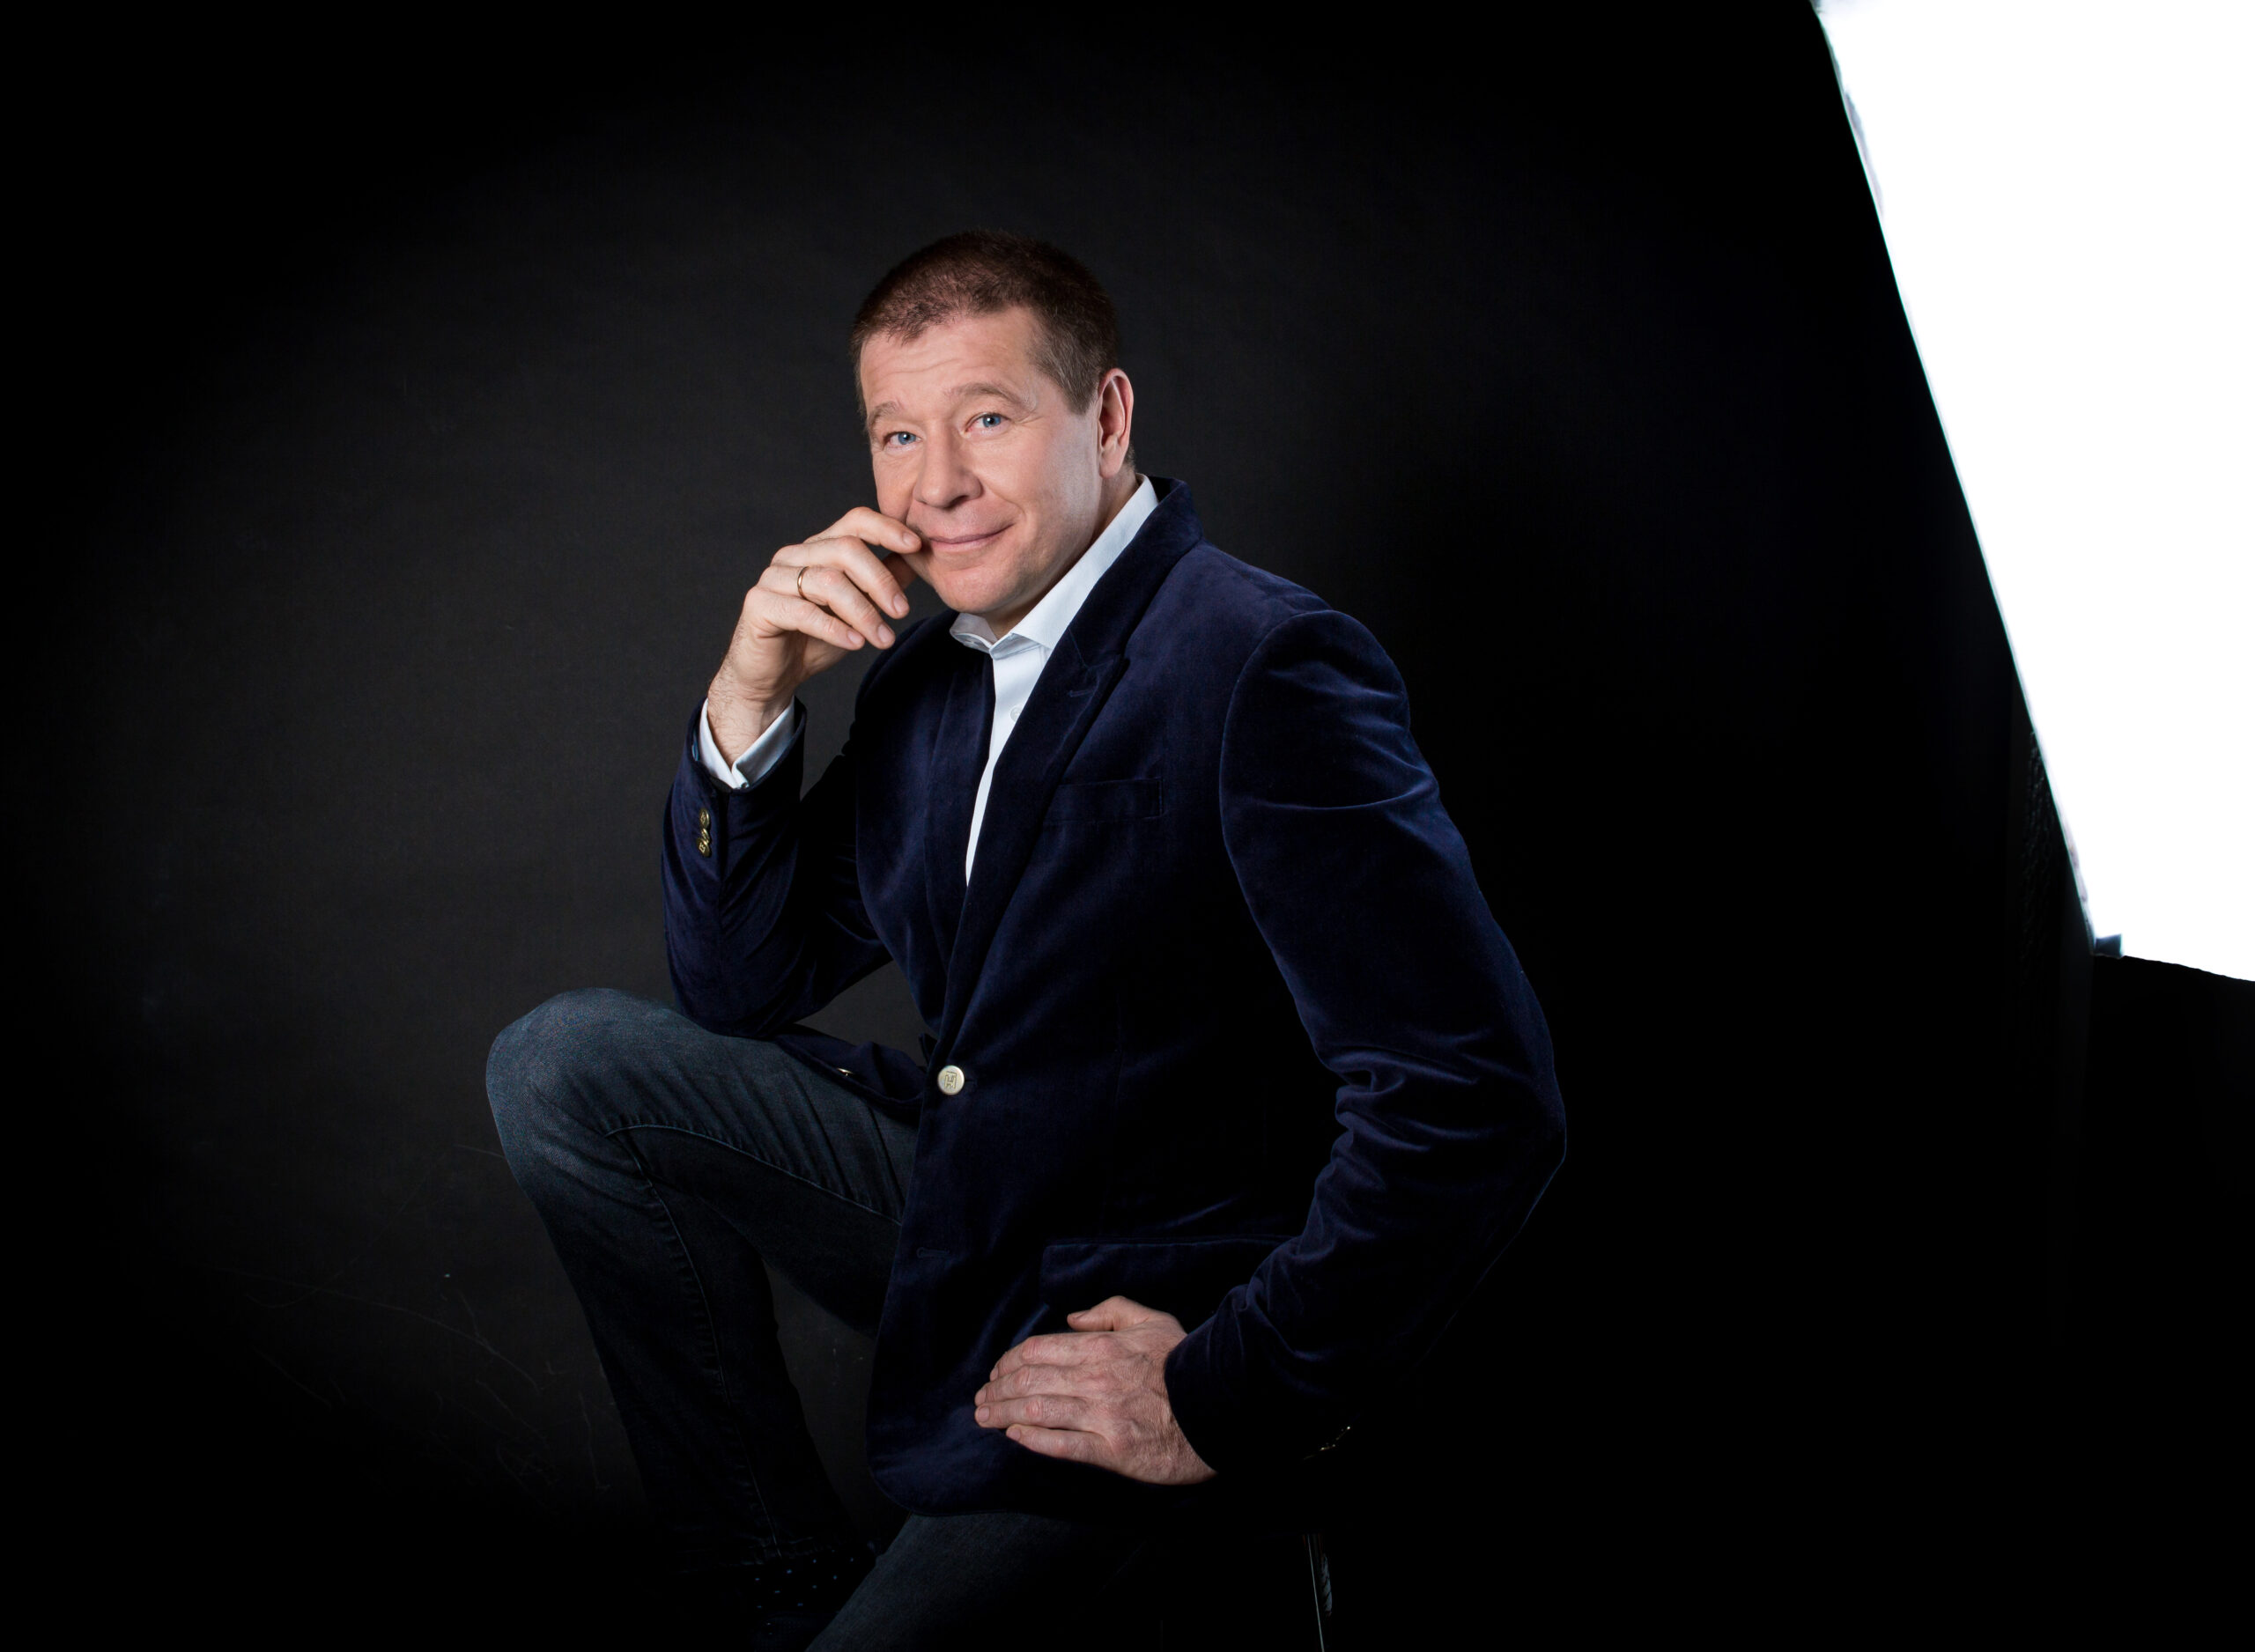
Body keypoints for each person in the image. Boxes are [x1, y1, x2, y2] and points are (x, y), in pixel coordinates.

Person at [486, 230, 1565, 1648]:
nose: (934, 483)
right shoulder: (927, 682)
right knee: (564, 1067)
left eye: (985, 419)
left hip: (1152, 1314)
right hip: (976, 1208)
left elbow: (1475, 1099)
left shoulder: (1260, 661)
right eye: (897, 434)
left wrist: (1223, 1392)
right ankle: (772, 1582)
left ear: (1105, 418)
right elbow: (740, 985)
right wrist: (749, 700)